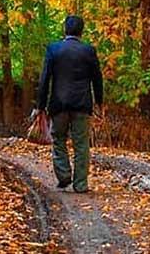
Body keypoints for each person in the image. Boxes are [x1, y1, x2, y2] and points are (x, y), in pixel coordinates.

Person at [35, 14, 104, 193]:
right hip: (82, 104)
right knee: (81, 143)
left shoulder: (53, 49)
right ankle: (81, 184)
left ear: (65, 29)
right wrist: (100, 101)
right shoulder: (89, 51)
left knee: (58, 139)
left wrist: (40, 106)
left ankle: (64, 175)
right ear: (82, 31)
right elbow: (97, 78)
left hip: (58, 103)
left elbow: (44, 80)